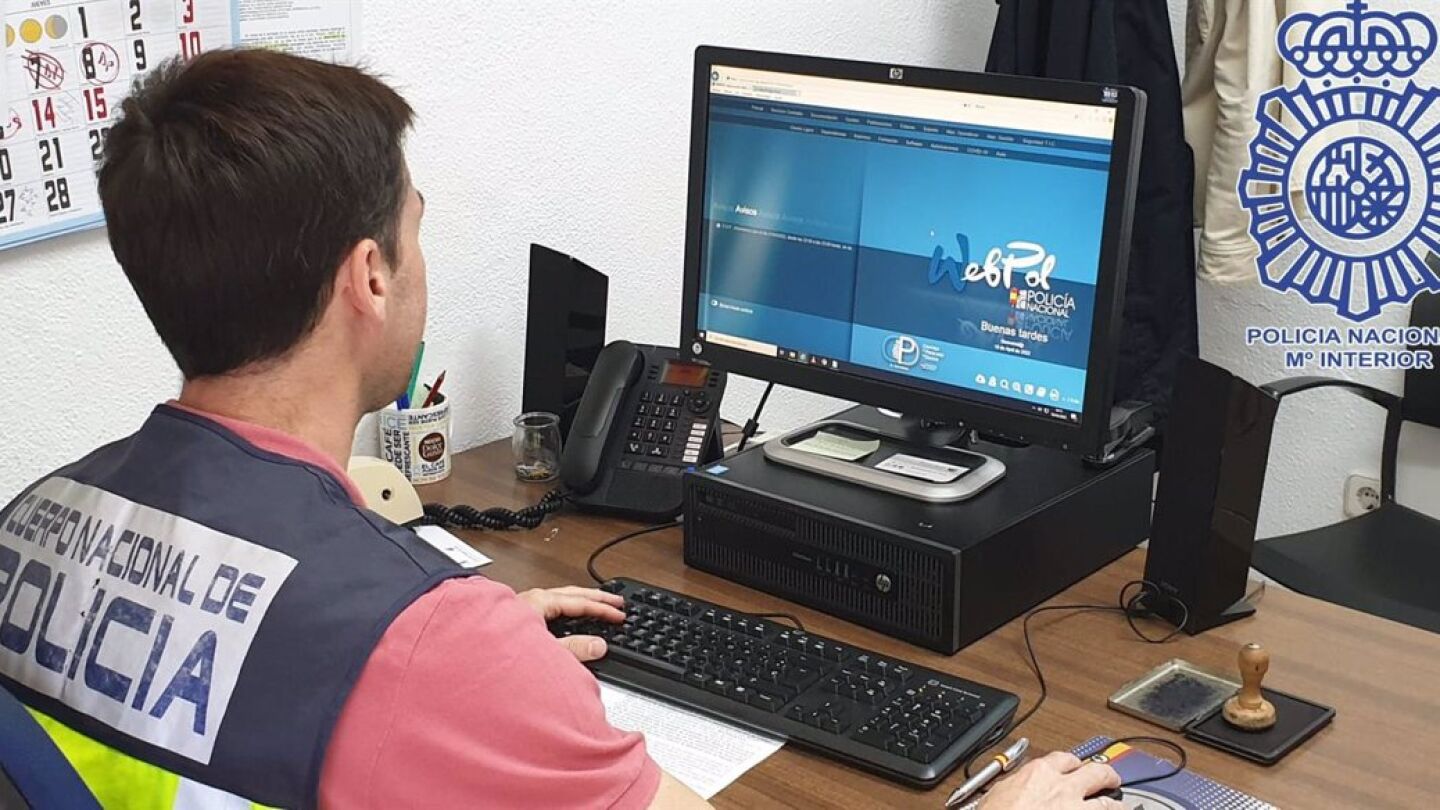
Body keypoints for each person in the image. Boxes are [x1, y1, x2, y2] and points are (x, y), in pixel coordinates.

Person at [0, 49, 1117, 809]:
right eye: (415, 232)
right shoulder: (430, 650)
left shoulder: (32, 521)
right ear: (371, 277)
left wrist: (454, 650)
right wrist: (449, 657)